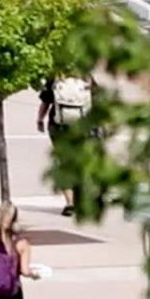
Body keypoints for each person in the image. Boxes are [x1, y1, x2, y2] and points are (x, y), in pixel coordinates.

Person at [38, 76, 94, 216]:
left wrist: (39, 119)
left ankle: (70, 203)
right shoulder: (86, 76)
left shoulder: (56, 77)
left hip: (59, 126)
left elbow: (45, 101)